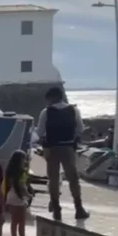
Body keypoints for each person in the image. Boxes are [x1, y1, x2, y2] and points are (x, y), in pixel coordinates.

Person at [36, 86, 89, 221]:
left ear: (51, 98)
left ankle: (56, 208)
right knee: (73, 178)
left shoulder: (46, 112)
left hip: (52, 148)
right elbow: (80, 129)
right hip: (68, 148)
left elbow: (40, 132)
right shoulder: (74, 110)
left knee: (53, 179)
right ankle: (78, 208)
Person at [4, 150, 32, 236]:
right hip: (19, 197)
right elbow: (22, 186)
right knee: (21, 223)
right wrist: (29, 195)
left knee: (14, 222)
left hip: (10, 196)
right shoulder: (22, 172)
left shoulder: (9, 170)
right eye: (24, 159)